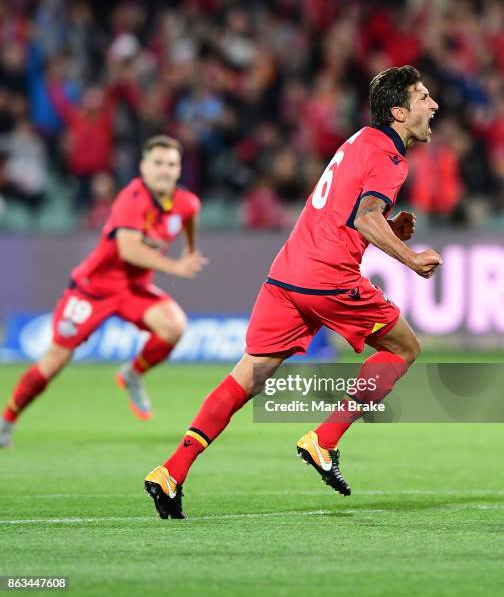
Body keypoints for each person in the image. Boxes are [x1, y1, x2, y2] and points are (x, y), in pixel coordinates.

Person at [143, 65, 443, 520]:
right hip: (328, 277)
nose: (433, 105)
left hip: (287, 275)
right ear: (400, 112)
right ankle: (325, 439)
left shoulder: (360, 141)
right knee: (404, 348)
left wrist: (389, 230)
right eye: (423, 98)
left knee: (248, 376)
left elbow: (350, 214)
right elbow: (364, 217)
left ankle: (171, 470)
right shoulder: (391, 157)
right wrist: (410, 256)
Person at [0, 135, 207, 448]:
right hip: (92, 290)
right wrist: (176, 266)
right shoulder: (131, 198)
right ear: (143, 167)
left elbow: (189, 217)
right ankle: (6, 421)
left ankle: (132, 374)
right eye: (158, 163)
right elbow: (129, 250)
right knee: (54, 361)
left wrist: (191, 250)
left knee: (174, 326)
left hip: (133, 289)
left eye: (171, 164)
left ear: (179, 170)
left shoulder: (187, 202)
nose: (164, 170)